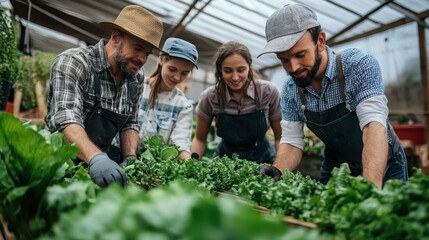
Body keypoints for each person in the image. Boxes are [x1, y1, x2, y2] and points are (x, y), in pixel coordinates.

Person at [257, 4, 408, 189]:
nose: (293, 67)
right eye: (284, 60)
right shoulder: (291, 89)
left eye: (300, 55)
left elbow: (373, 127)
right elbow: (292, 141)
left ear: (320, 41)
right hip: (338, 168)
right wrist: (278, 168)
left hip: (385, 167)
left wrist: (370, 189)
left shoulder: (357, 66)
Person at [44, 5, 163, 187]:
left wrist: (130, 156)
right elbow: (65, 118)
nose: (143, 59)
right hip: (58, 163)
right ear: (115, 37)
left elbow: (130, 122)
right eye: (138, 48)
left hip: (104, 169)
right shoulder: (75, 63)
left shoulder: (135, 78)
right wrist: (97, 159)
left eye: (147, 53)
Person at [192, 41, 282, 163]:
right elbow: (199, 139)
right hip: (225, 161)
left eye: (241, 70)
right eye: (228, 71)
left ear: (249, 67)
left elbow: (279, 137)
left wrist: (279, 167)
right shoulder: (210, 97)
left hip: (263, 159)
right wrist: (192, 165)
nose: (235, 77)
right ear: (220, 71)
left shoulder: (268, 92)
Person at [112, 37, 198, 161]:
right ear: (162, 60)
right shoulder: (133, 86)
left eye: (184, 73)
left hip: (153, 168)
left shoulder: (183, 106)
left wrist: (189, 164)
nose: (177, 77)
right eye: (172, 69)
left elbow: (180, 144)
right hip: (116, 158)